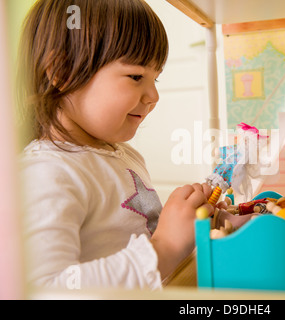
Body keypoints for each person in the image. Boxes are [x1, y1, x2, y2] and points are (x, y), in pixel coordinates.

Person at [18, 0, 215, 290]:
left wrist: (193, 224)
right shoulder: (45, 174)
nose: (154, 95)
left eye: (155, 77)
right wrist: (165, 247)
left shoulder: (122, 155)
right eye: (136, 76)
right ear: (62, 72)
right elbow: (46, 290)